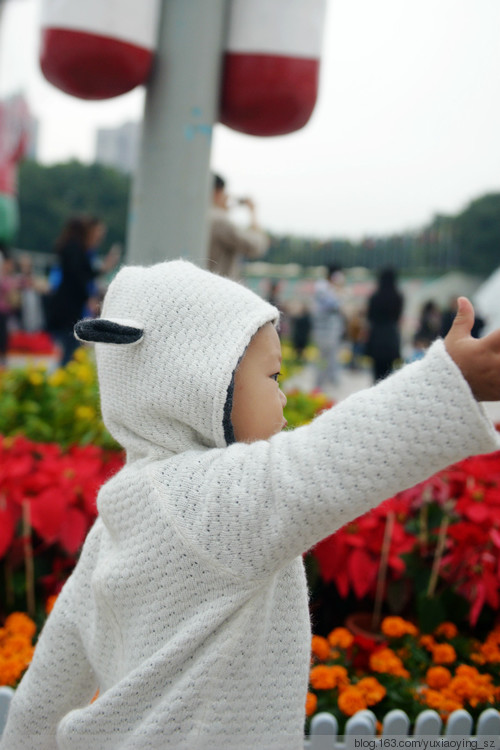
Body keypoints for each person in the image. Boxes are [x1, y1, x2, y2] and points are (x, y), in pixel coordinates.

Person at [2, 260, 500, 750]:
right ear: (200, 383)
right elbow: (327, 461)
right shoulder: (212, 503)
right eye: (273, 377)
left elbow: (47, 684)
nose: (284, 398)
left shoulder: (119, 515)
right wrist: (449, 382)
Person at [45, 216, 118, 365]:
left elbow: (83, 274)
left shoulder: (71, 248)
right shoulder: (75, 249)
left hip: (67, 305)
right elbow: (79, 276)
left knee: (70, 347)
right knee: (70, 347)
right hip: (69, 306)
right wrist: (89, 297)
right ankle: (64, 380)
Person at [207, 173, 269, 279]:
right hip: (218, 286)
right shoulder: (220, 220)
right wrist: (253, 213)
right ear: (217, 192)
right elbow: (256, 246)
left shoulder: (202, 217)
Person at [366, 267, 404, 382]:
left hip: (376, 335)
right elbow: (398, 317)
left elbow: (370, 317)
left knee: (376, 373)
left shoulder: (374, 297)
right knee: (388, 374)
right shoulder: (398, 297)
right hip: (391, 335)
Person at [312, 264, 345, 388]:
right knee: (323, 357)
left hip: (331, 330)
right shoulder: (323, 287)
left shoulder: (327, 287)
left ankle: (327, 382)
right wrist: (338, 289)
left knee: (330, 357)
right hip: (324, 330)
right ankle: (319, 383)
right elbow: (333, 304)